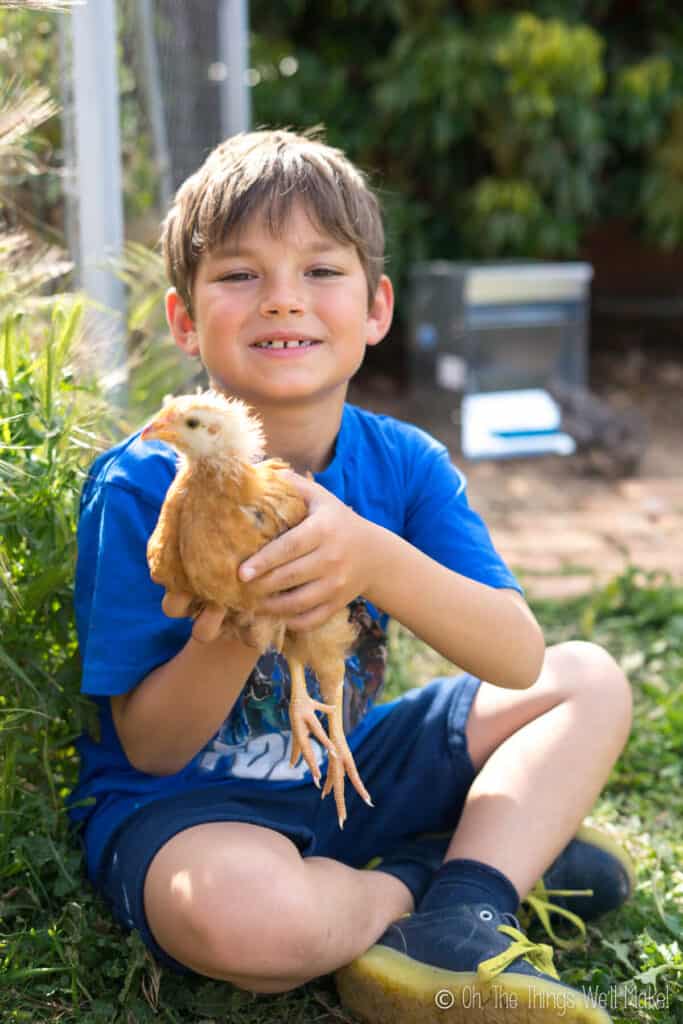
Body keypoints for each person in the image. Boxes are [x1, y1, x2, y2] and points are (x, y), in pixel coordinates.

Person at [69, 129, 634, 1023]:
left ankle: (466, 907)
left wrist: (375, 557)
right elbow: (149, 748)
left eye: (320, 272)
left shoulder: (402, 463)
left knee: (586, 681)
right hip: (193, 809)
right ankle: (438, 880)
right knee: (247, 925)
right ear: (184, 319)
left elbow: (516, 655)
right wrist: (235, 621)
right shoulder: (142, 484)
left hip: (350, 762)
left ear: (375, 309)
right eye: (239, 275)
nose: (283, 301)